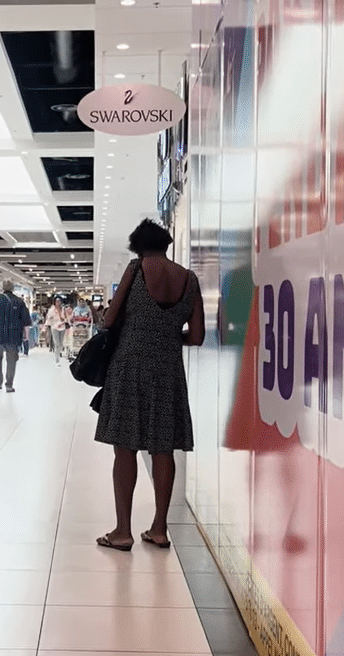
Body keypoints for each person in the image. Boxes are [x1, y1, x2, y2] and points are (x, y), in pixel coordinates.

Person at [94, 219, 205, 552]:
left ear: (138, 246)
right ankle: (159, 528)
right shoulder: (189, 279)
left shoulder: (136, 268)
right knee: (163, 446)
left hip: (129, 366)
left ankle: (122, 531)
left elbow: (111, 319)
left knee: (125, 447)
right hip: (168, 370)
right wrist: (167, 337)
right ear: (166, 244)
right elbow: (197, 336)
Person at [0, 280, 31, 392]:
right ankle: (9, 385)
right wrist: (26, 336)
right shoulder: (19, 302)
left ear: (3, 288)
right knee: (12, 361)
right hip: (13, 337)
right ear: (13, 288)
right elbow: (26, 322)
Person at [45, 297, 68, 366]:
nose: (58, 303)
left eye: (59, 301)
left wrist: (64, 322)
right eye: (57, 301)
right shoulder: (52, 310)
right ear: (54, 302)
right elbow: (48, 318)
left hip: (62, 327)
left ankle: (58, 354)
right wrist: (51, 324)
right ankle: (57, 359)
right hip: (55, 327)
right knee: (56, 343)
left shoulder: (63, 309)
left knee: (60, 343)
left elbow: (66, 318)